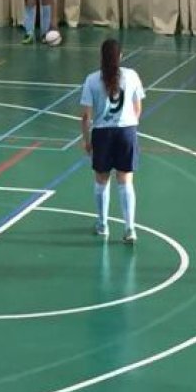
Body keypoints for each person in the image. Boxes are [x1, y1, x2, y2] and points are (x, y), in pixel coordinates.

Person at [79, 39, 146, 243]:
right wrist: (130, 124)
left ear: (101, 57)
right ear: (120, 57)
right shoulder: (132, 75)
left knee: (101, 181)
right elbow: (137, 108)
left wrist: (86, 140)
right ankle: (129, 228)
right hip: (126, 131)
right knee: (125, 181)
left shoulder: (91, 80)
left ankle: (102, 225)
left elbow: (86, 116)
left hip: (103, 134)